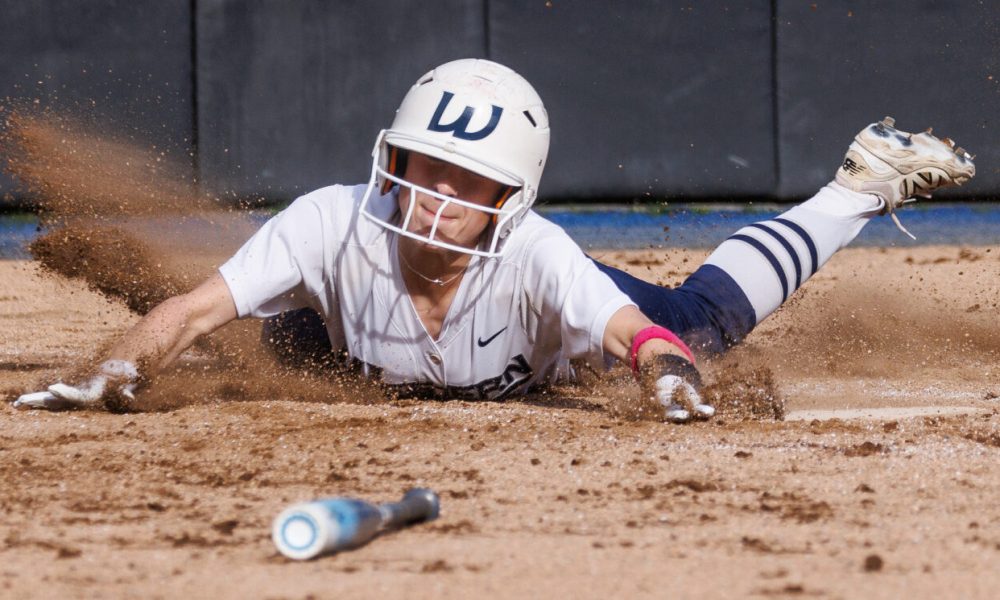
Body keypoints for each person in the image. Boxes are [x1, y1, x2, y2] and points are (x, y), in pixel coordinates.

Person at [14, 59, 975, 421]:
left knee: (704, 321)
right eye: (422, 167)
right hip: (345, 340)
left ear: (509, 201)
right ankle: (123, 299)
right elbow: (190, 309)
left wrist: (671, 373)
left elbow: (644, 342)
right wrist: (118, 366)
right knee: (251, 339)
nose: (433, 197)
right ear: (388, 159)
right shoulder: (332, 222)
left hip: (541, 351)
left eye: (464, 182)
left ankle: (854, 187)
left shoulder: (538, 256)